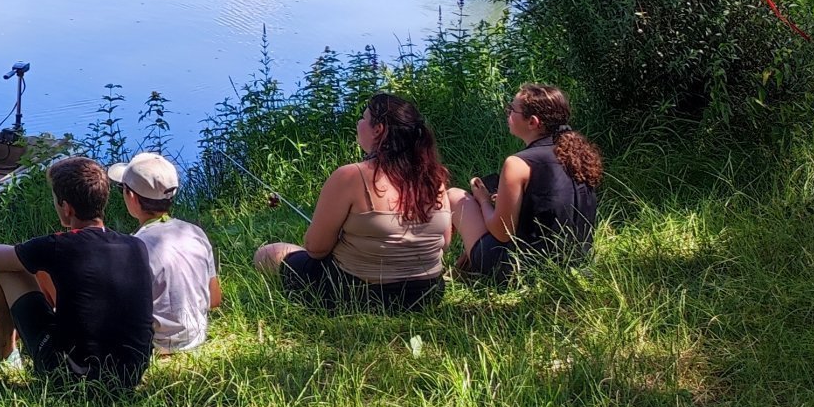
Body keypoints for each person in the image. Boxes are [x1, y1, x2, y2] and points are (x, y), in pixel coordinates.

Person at [0, 155, 156, 387]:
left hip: (73, 377)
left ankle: (3, 351)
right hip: (130, 375)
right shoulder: (136, 246)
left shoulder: (59, 246)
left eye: (55, 200)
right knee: (39, 269)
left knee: (4, 267)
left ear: (67, 208)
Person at [254, 94, 452, 312]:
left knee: (268, 253)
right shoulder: (435, 177)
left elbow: (316, 249)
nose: (359, 123)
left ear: (378, 130)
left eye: (363, 118)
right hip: (428, 293)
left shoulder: (350, 176)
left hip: (358, 295)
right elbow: (444, 242)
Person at [452, 82, 603, 283]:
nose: (507, 114)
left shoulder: (518, 163)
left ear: (532, 122)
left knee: (455, 196)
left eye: (511, 109)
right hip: (577, 265)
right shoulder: (578, 157)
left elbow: (502, 233)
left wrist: (483, 200)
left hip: (522, 271)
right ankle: (463, 267)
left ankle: (430, 271)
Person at [107, 152, 221, 354]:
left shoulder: (134, 247)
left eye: (122, 188)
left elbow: (123, 311)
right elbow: (214, 299)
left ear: (131, 197)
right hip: (196, 336)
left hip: (154, 345)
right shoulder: (195, 232)